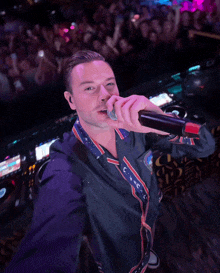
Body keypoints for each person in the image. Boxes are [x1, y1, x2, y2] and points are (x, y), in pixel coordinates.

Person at [5, 50, 215, 273]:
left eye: (110, 84)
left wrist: (162, 121)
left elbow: (205, 144)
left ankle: (146, 254)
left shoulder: (134, 127)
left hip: (149, 220)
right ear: (71, 100)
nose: (105, 96)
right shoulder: (65, 164)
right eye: (89, 88)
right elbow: (48, 246)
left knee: (147, 241)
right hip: (117, 253)